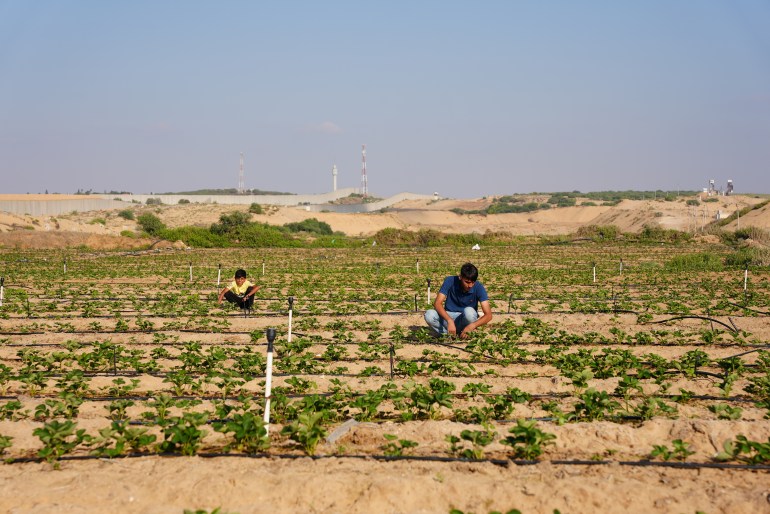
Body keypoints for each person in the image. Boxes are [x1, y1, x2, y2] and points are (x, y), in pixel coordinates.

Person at [424, 262, 492, 339]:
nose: (470, 286)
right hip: (448, 316)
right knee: (429, 315)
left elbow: (488, 315)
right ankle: (448, 335)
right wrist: (449, 320)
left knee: (469, 311)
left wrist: (472, 326)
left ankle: (465, 332)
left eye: (473, 282)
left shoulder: (479, 287)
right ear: (460, 277)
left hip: (465, 319)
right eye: (467, 282)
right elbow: (437, 303)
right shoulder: (450, 281)